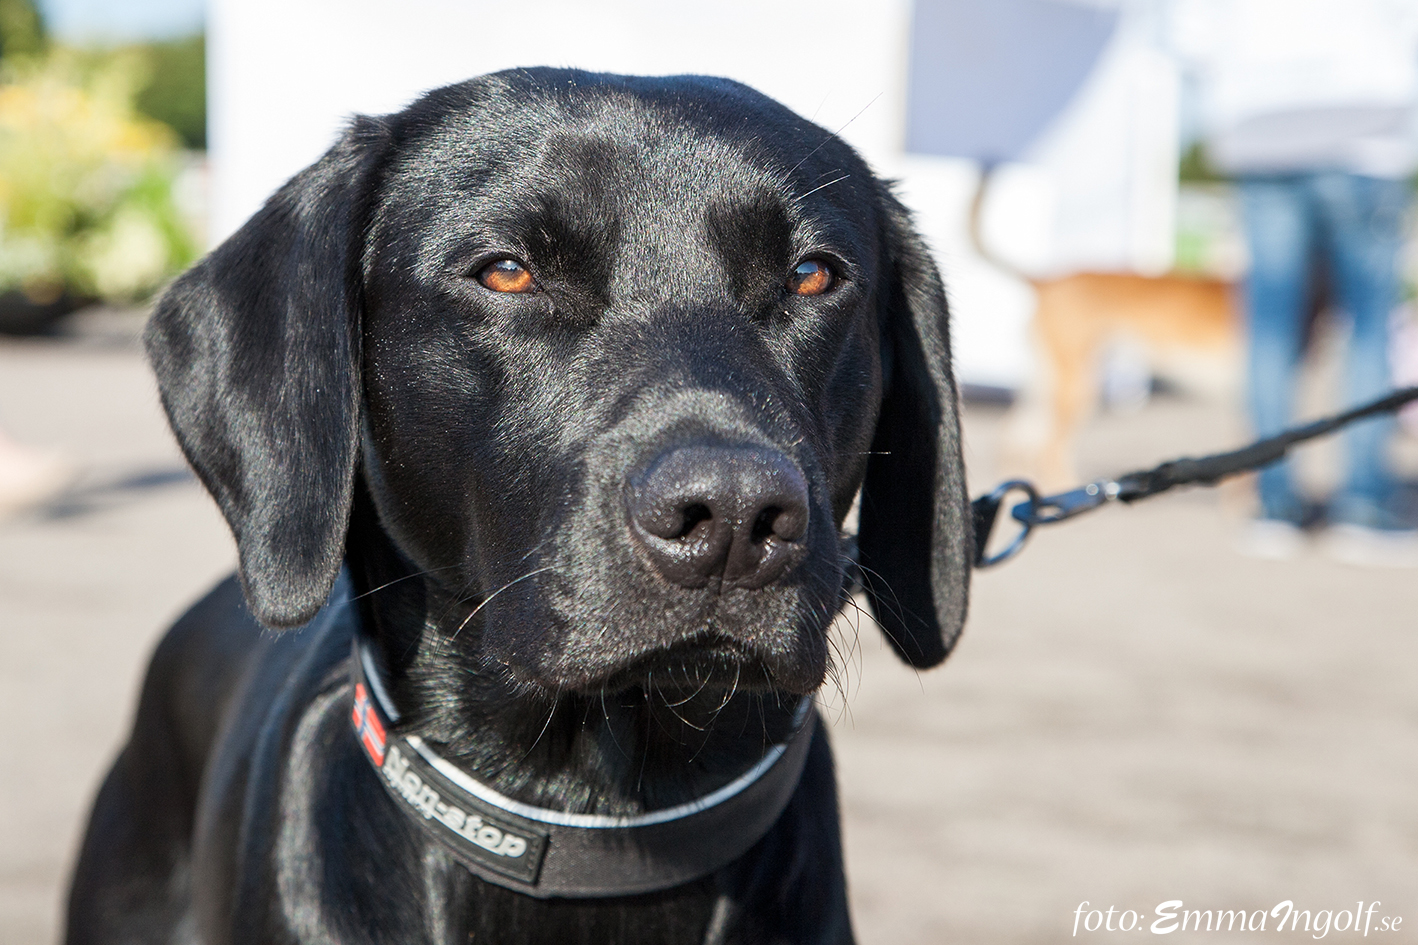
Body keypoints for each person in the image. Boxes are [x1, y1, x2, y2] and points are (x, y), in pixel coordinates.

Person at [1177, 0, 1418, 565]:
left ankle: (1273, 504)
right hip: (1365, 127)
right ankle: (1364, 504)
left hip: (1258, 126)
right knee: (1366, 326)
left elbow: (1189, 33)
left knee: (1269, 327)